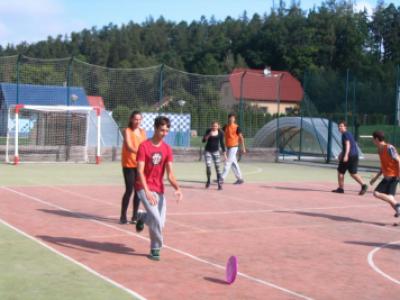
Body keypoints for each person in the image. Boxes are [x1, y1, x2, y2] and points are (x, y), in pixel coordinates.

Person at [135, 116, 182, 261]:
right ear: (155, 128)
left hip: (158, 188)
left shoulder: (167, 149)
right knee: (155, 218)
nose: (164, 133)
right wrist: (147, 191)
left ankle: (142, 217)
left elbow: (170, 174)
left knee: (160, 223)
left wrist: (177, 188)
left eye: (167, 130)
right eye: (162, 130)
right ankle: (156, 248)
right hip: (143, 187)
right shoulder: (144, 146)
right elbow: (140, 171)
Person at [120, 111, 147, 224]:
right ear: (131, 119)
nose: (137, 121)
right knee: (129, 189)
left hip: (140, 165)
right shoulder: (127, 131)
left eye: (139, 119)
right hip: (129, 164)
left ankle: (135, 216)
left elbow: (145, 146)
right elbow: (129, 146)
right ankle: (123, 216)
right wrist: (141, 153)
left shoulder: (142, 132)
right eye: (135, 119)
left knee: (139, 191)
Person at [332, 121, 368, 195]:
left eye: (341, 126)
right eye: (339, 126)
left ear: (345, 127)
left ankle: (340, 188)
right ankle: (364, 185)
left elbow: (348, 144)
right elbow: (350, 145)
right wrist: (341, 153)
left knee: (340, 171)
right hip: (354, 155)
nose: (339, 127)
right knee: (353, 173)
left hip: (349, 156)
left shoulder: (345, 134)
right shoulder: (349, 134)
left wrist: (345, 155)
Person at [369, 131, 400, 217]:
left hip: (394, 176)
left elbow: (399, 160)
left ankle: (398, 206)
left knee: (376, 193)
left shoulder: (389, 148)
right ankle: (398, 208)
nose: (372, 140)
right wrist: (375, 178)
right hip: (387, 177)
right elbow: (383, 166)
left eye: (373, 139)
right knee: (390, 198)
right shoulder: (379, 150)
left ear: (376, 139)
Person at [220, 113, 246, 184]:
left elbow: (241, 138)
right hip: (228, 147)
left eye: (233, 118)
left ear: (234, 119)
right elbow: (220, 132)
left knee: (228, 162)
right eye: (230, 118)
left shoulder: (237, 127)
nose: (231, 119)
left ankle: (222, 178)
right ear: (228, 118)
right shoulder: (226, 127)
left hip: (234, 147)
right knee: (233, 163)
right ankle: (240, 179)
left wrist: (243, 148)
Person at [202, 121, 227, 190]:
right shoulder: (208, 131)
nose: (214, 127)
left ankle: (219, 183)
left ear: (218, 126)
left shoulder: (220, 133)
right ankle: (208, 181)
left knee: (217, 168)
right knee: (208, 166)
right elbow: (203, 140)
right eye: (213, 126)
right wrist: (209, 135)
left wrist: (224, 154)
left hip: (216, 152)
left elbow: (222, 143)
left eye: (216, 126)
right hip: (208, 151)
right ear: (211, 126)